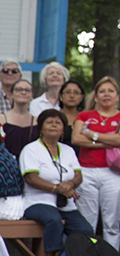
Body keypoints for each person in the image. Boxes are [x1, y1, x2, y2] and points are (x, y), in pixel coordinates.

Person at [72, 76, 120, 250]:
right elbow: (76, 137)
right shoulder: (84, 115)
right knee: (87, 223)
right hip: (86, 170)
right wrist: (108, 141)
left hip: (114, 172)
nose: (106, 94)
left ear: (117, 96)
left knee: (111, 223)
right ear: (96, 96)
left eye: (111, 91)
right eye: (102, 91)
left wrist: (92, 135)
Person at [19, 109, 93, 256]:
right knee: (54, 220)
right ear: (40, 128)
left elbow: (78, 176)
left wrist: (70, 185)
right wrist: (56, 188)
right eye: (49, 122)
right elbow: (31, 178)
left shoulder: (68, 150)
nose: (54, 125)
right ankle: (53, 253)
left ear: (63, 129)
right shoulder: (31, 149)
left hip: (66, 205)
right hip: (38, 202)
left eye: (58, 123)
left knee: (85, 230)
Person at [0, 79, 39, 157]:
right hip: (7, 165)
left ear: (31, 94)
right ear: (11, 94)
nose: (23, 92)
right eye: (19, 90)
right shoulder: (2, 119)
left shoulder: (37, 121)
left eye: (27, 90)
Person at [58, 80, 86, 154]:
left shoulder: (86, 118)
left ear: (82, 97)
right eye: (67, 92)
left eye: (76, 93)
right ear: (61, 96)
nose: (72, 96)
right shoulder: (54, 117)